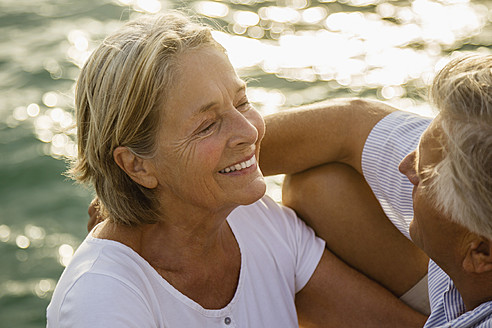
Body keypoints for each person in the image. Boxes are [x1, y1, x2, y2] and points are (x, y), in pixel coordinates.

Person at [46, 12, 426, 328]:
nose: (250, 131)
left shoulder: (253, 220)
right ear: (136, 165)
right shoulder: (99, 303)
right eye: (207, 125)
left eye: (242, 102)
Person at [262, 54, 492, 327]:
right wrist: (206, 171)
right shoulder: (472, 142)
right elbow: (349, 122)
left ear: (481, 254)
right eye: (420, 147)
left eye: (426, 177)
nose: (406, 167)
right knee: (323, 186)